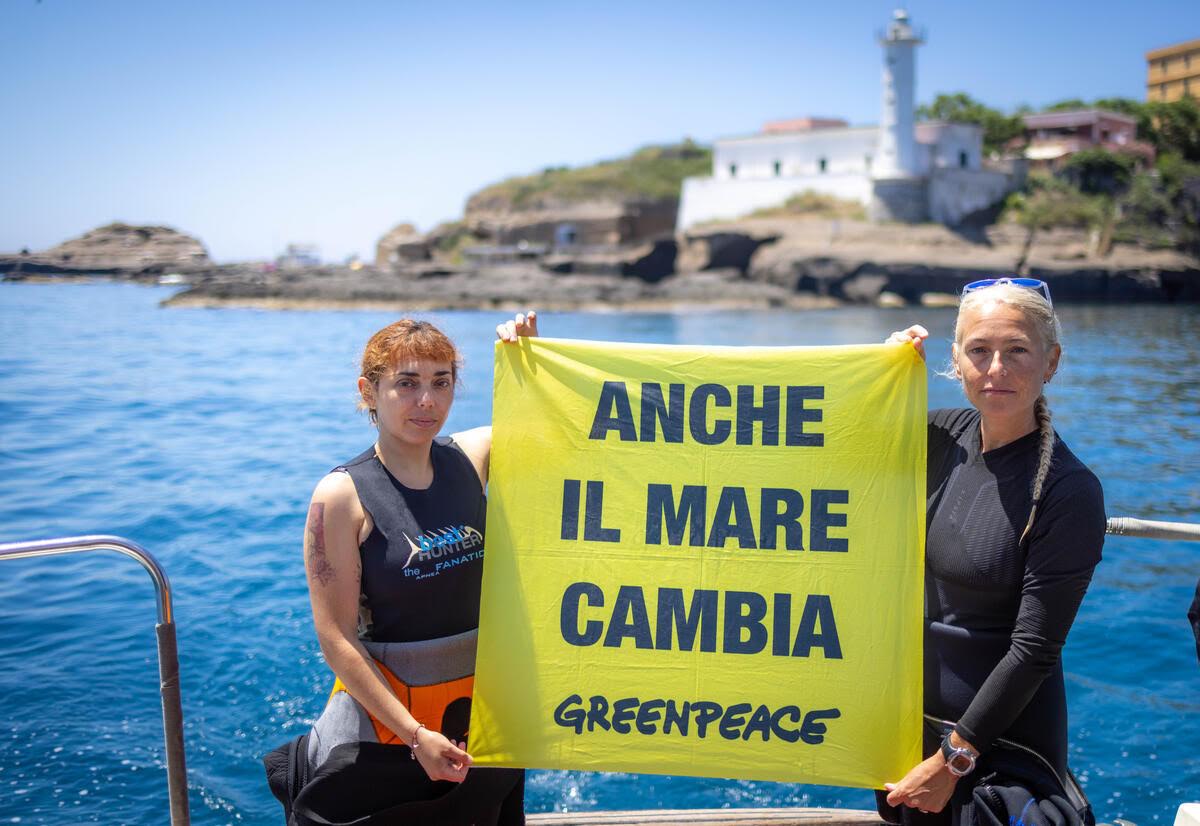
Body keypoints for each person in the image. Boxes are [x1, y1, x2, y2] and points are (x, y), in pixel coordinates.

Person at [272, 312, 538, 826]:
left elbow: (547, 426)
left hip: (480, 722)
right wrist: (416, 736)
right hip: (391, 736)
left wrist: (530, 357)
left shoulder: (472, 457)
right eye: (407, 384)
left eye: (441, 382)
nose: (427, 401)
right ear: (368, 392)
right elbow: (336, 638)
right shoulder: (342, 496)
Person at [881, 278, 1104, 824]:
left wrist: (953, 760)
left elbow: (1034, 650)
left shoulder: (1068, 491)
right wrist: (883, 371)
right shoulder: (939, 438)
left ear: (1051, 362)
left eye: (1017, 350)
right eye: (978, 350)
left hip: (998, 754)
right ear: (956, 361)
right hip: (915, 737)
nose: (996, 368)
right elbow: (835, 437)